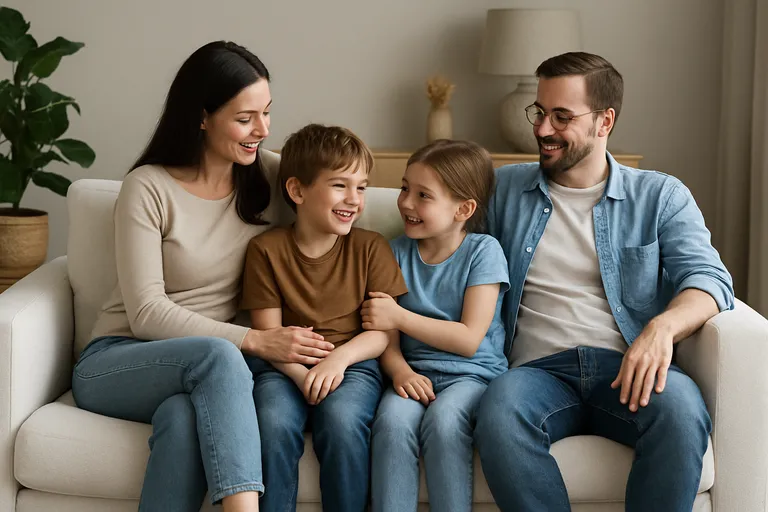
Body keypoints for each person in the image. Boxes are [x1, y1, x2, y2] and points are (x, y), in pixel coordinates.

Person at [71, 41, 335, 512]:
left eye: (267, 113)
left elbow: (345, 199)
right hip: (121, 358)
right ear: (201, 116)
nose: (263, 130)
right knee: (218, 356)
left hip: (208, 373)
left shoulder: (273, 178)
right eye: (244, 118)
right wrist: (256, 340)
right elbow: (147, 314)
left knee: (181, 417)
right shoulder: (148, 187)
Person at [473, 52, 735, 512]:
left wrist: (662, 329)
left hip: (626, 369)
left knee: (681, 410)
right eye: (539, 112)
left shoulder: (659, 196)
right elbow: (445, 255)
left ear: (604, 121)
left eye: (561, 116)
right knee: (498, 413)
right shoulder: (503, 191)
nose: (542, 129)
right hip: (535, 372)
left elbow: (709, 278)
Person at [241, 123, 408, 512]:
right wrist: (304, 375)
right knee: (273, 423)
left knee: (343, 422)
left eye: (361, 187)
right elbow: (268, 335)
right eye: (339, 185)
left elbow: (382, 335)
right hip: (282, 368)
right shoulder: (265, 250)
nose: (353, 198)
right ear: (297, 190)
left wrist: (337, 361)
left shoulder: (370, 248)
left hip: (353, 366)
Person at [361, 139, 510, 512]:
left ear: (464, 209)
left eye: (423, 195)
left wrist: (399, 316)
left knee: (444, 423)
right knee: (392, 424)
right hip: (412, 372)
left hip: (472, 376)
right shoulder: (392, 252)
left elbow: (468, 339)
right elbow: (386, 338)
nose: (407, 203)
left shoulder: (483, 251)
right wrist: (399, 371)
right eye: (404, 188)